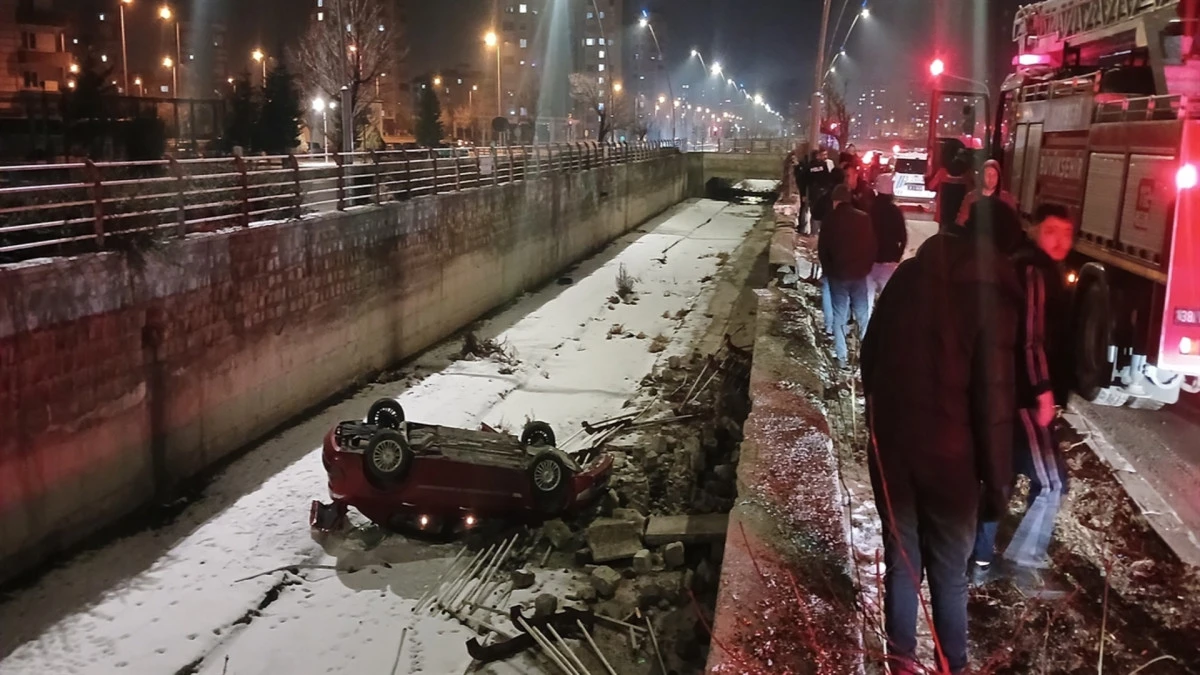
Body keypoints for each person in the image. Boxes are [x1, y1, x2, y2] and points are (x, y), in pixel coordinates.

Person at [860, 198, 1024, 675]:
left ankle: (902, 663)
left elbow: (870, 357)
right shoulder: (993, 300)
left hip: (892, 448)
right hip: (952, 460)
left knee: (904, 562)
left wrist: (884, 423)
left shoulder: (910, 276)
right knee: (949, 576)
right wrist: (996, 490)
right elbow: (994, 407)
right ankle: (954, 665)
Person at [972, 203, 1075, 590]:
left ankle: (980, 561)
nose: (1060, 241)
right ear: (1033, 230)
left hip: (1009, 393)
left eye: (1066, 233)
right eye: (1051, 231)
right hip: (1025, 397)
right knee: (1051, 482)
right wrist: (1043, 391)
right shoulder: (1033, 270)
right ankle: (1022, 563)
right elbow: (1031, 341)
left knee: (1002, 478)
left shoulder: (1026, 266)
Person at [818, 184, 876, 370]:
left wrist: (829, 271)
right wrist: (865, 268)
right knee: (862, 315)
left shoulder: (830, 220)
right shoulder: (864, 219)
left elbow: (823, 249)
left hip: (838, 276)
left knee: (839, 316)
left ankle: (842, 357)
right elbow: (872, 247)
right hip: (859, 275)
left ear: (835, 201)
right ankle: (865, 354)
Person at [868, 172, 907, 294]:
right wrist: (897, 257)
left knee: (867, 299)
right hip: (890, 260)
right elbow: (903, 237)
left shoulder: (869, 209)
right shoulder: (895, 211)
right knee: (887, 297)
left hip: (870, 261)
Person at [957, 158, 1017, 226]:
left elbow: (1013, 225)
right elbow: (961, 222)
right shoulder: (970, 198)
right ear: (982, 176)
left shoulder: (1007, 199)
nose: (991, 178)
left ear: (998, 177)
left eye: (994, 175)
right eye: (988, 174)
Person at [925, 151, 973, 233]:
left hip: (944, 209)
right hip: (961, 210)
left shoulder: (942, 172)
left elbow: (931, 186)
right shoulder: (968, 173)